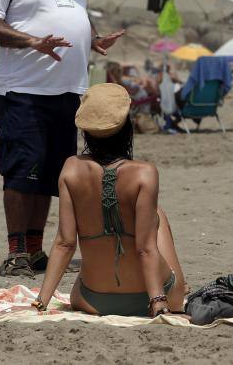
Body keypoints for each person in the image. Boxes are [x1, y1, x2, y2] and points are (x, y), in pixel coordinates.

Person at [0, 0, 124, 277]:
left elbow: (74, 14)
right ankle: (16, 252)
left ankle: (36, 249)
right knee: (22, 172)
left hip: (67, 91)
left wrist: (93, 39)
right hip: (24, 89)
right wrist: (31, 41)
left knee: (49, 174)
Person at [30, 84, 187, 317]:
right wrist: (158, 302)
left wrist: (42, 301)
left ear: (86, 130)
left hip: (92, 300)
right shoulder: (145, 173)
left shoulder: (71, 169)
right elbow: (145, 248)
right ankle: (158, 294)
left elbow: (65, 243)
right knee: (156, 214)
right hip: (148, 297)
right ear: (126, 126)